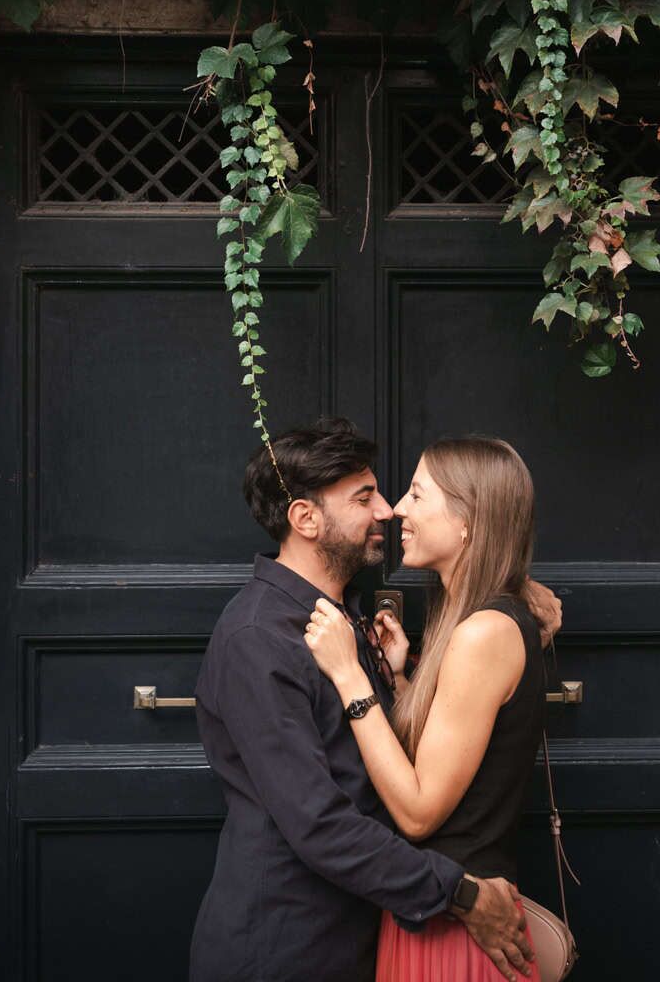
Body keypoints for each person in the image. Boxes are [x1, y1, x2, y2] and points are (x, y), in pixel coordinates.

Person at [190, 418, 562, 982]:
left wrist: (512, 591)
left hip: (362, 939)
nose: (388, 510)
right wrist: (459, 894)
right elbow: (320, 824)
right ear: (305, 519)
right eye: (365, 498)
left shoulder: (345, 620)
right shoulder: (258, 638)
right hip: (286, 952)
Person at [303, 436, 547, 982]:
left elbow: (417, 814)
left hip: (457, 933)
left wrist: (350, 676)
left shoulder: (484, 631)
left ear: (467, 522)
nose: (397, 510)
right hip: (433, 918)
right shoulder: (470, 617)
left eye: (417, 494)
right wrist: (401, 678)